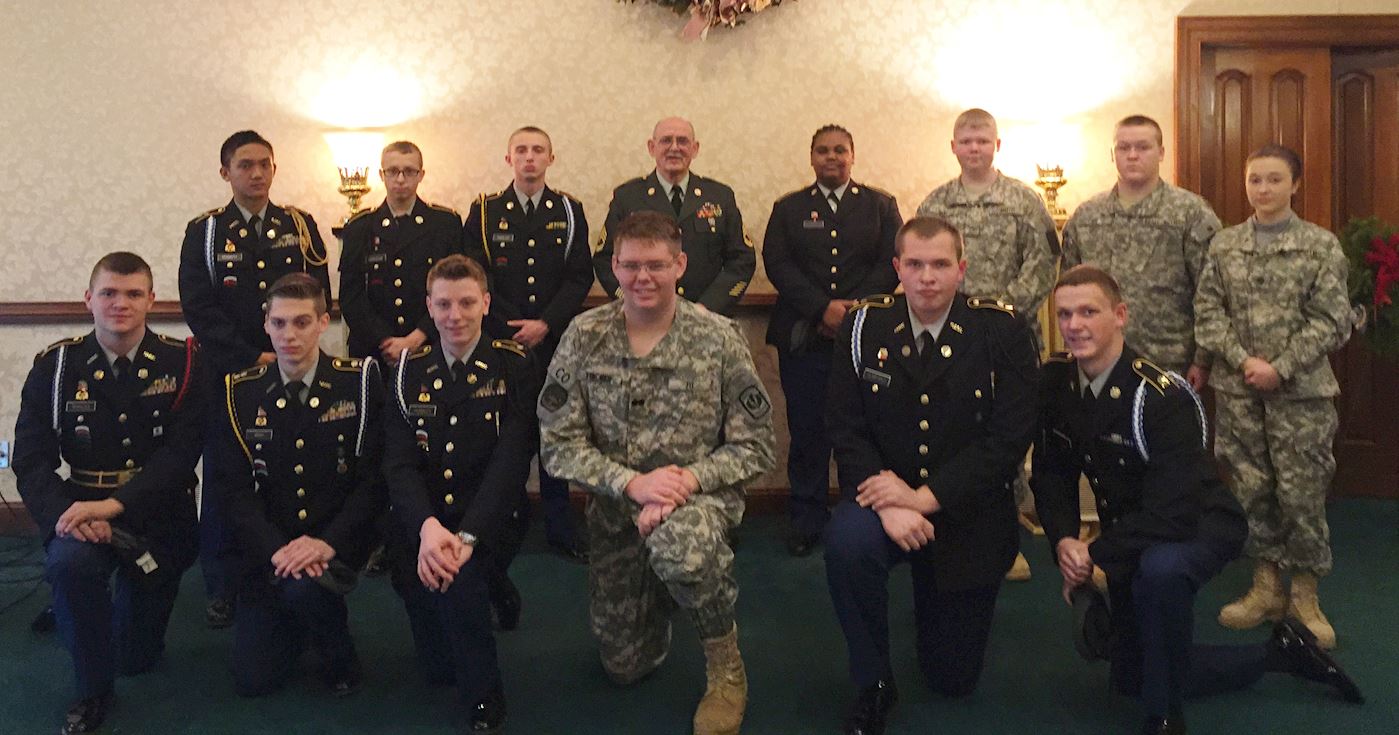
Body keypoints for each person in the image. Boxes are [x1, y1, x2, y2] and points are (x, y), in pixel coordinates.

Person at [1035, 264, 1362, 735]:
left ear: (1120, 315)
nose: (1075, 325)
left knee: (1160, 572)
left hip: (1198, 524)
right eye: (1065, 314)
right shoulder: (1057, 384)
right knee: (1131, 674)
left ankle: (1166, 717)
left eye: (1089, 311)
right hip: (1136, 529)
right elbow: (1052, 474)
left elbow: (1174, 511)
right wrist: (1066, 542)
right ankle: (1278, 654)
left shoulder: (1160, 395)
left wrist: (1096, 553)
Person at [539, 211, 775, 735]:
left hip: (696, 502)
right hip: (618, 509)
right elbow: (557, 445)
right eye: (630, 266)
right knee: (624, 667)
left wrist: (685, 483)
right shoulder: (585, 335)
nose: (642, 277)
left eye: (656, 265)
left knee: (682, 547)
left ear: (680, 265)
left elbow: (756, 446)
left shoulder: (717, 337)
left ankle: (726, 667)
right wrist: (632, 484)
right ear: (614, 268)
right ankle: (662, 597)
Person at [824, 216, 1039, 735]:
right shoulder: (863, 326)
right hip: (885, 501)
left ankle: (933, 599)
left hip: (968, 511)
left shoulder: (1001, 330)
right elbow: (845, 425)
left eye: (940, 264)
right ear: (897, 268)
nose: (927, 277)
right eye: (915, 265)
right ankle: (873, 681)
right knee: (847, 541)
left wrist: (925, 497)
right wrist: (892, 503)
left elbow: (1009, 438)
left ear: (961, 269)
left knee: (952, 678)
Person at [13, 252, 203, 735]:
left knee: (136, 658)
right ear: (88, 299)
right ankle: (91, 691)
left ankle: (85, 612)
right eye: (109, 293)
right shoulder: (57, 367)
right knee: (70, 566)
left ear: (151, 301)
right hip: (80, 507)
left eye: (134, 294)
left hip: (158, 514)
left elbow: (181, 457)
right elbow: (31, 460)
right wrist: (69, 515)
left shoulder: (182, 362)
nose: (121, 303)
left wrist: (116, 506)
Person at [1194, 145, 1354, 650]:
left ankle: (1305, 595)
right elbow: (1207, 310)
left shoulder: (1320, 247)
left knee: (1301, 491)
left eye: (1274, 180)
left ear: (1295, 185)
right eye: (1255, 180)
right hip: (1239, 390)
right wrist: (1243, 360)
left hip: (1300, 395)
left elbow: (1333, 320)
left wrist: (1279, 368)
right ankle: (1265, 587)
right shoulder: (1224, 245)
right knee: (1250, 488)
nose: (1263, 189)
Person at [178, 130, 333, 628]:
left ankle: (297, 561)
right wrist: (253, 357)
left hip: (293, 371)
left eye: (265, 163)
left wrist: (287, 352)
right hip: (229, 379)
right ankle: (223, 585)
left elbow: (318, 297)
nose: (257, 172)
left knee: (292, 468)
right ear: (226, 172)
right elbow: (198, 309)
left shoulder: (301, 226)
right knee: (226, 479)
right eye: (245, 165)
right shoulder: (204, 233)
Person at [381, 254, 537, 733]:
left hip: (490, 517)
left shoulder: (512, 364)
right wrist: (428, 530)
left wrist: (466, 537)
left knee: (460, 586)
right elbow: (399, 462)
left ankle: (485, 694)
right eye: (444, 304)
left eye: (467, 303)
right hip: (424, 520)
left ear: (485, 303)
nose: (456, 315)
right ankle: (491, 590)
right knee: (434, 663)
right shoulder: (408, 370)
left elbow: (512, 462)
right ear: (428, 306)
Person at [213, 273, 383, 698]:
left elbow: (372, 482)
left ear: (324, 322)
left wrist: (326, 544)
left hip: (334, 541)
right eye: (280, 323)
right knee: (254, 680)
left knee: (308, 591)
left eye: (303, 322)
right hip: (268, 547)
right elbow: (233, 492)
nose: (290, 335)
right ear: (266, 324)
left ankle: (337, 646)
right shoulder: (240, 393)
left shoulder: (358, 383)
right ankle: (295, 617)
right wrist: (278, 550)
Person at [916, 107, 1061, 582]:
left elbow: (1042, 264)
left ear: (997, 146)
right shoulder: (937, 203)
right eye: (966, 141)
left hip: (1010, 338)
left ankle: (1010, 533)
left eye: (983, 140)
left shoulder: (1024, 200)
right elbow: (924, 265)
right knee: (957, 427)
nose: (974, 148)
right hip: (950, 338)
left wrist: (1000, 317)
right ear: (953, 147)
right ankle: (958, 520)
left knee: (1010, 430)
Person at [763, 123, 901, 556]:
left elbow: (893, 261)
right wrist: (822, 308)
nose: (832, 157)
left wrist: (853, 309)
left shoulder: (880, 205)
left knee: (861, 430)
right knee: (807, 431)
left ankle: (858, 518)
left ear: (853, 156)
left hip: (864, 338)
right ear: (811, 157)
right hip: (805, 337)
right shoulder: (789, 208)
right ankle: (806, 520)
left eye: (840, 150)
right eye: (823, 151)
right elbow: (777, 262)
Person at [463, 125, 592, 563]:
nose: (530, 157)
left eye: (539, 150)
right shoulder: (483, 212)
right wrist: (511, 325)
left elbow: (579, 276)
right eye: (522, 150)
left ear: (551, 159)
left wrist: (545, 323)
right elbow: (475, 278)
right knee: (502, 431)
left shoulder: (570, 210)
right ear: (508, 159)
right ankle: (504, 518)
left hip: (555, 342)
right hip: (501, 343)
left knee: (555, 428)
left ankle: (560, 525)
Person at [1061, 115, 1221, 385]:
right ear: (1113, 154)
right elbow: (1069, 292)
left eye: (1143, 147)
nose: (1132, 156)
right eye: (1124, 148)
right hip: (1099, 361)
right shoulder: (1086, 216)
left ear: (1160, 153)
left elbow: (1210, 290)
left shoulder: (1190, 213)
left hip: (1169, 360)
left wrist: (1202, 359)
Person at [592, 116, 754, 315]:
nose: (675, 148)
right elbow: (605, 259)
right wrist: (635, 300)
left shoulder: (720, 196)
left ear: (695, 149)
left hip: (707, 319)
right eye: (666, 140)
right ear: (652, 147)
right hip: (644, 318)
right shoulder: (627, 197)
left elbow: (742, 259)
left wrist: (708, 307)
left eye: (683, 141)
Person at [339, 140, 464, 364]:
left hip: (431, 345)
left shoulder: (445, 224)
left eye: (409, 171)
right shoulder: (359, 228)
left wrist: (418, 336)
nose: (400, 179)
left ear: (421, 175)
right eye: (393, 171)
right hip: (374, 350)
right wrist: (385, 340)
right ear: (381, 174)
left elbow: (455, 288)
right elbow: (351, 296)